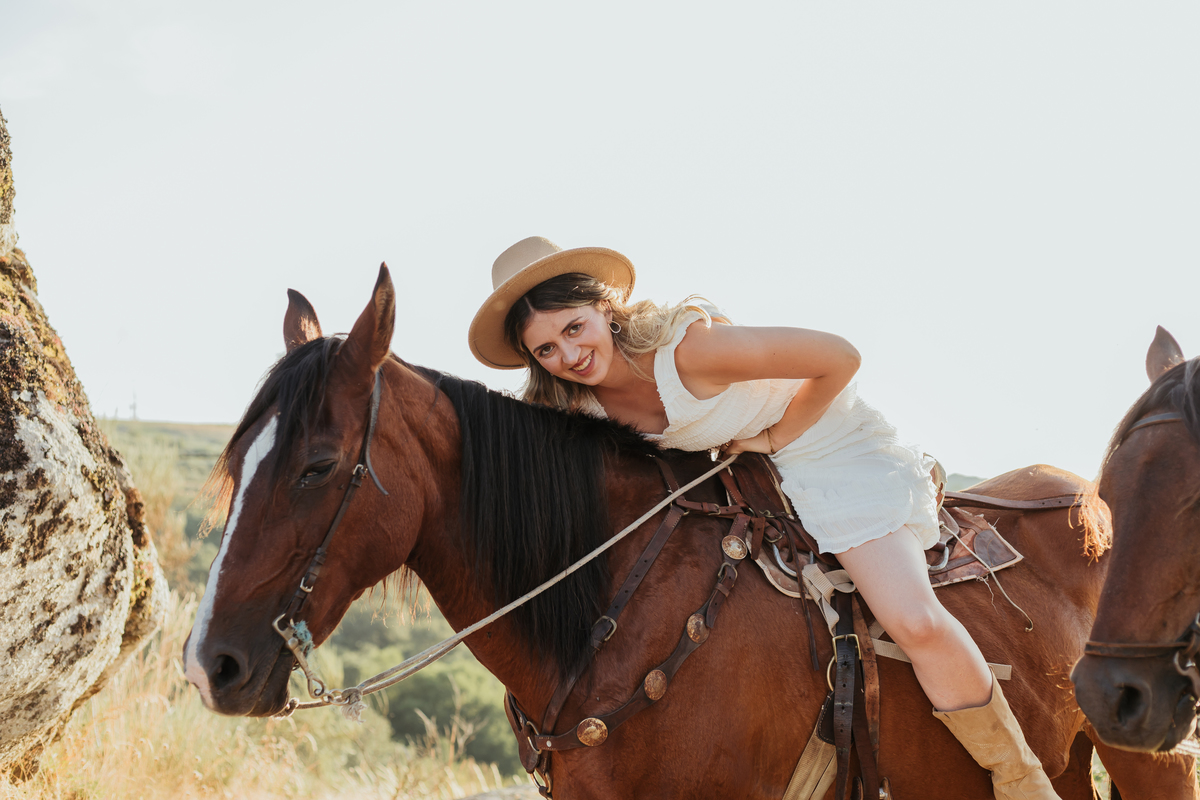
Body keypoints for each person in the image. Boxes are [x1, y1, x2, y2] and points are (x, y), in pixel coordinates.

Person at [468, 236, 1059, 800]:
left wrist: (776, 436)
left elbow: (839, 356)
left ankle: (1020, 778)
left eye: (574, 328)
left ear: (605, 308)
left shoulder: (687, 352)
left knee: (913, 619)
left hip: (824, 446)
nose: (569, 356)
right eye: (546, 349)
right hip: (743, 471)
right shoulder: (571, 406)